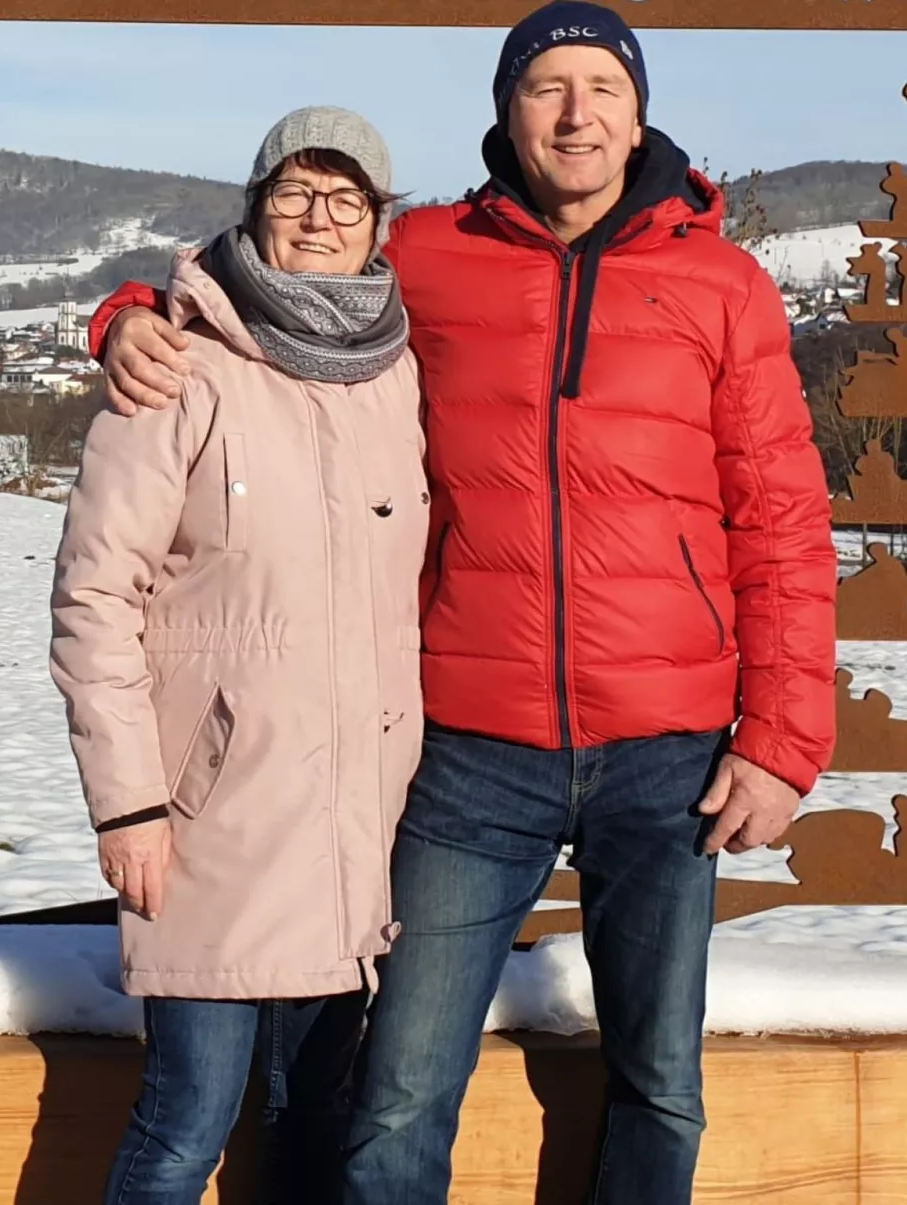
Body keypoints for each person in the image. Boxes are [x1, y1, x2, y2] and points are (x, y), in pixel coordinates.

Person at [85, 4, 838, 1202]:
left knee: (660, 1081)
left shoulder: (723, 283)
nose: (576, 113)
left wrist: (784, 741)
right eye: (547, 86)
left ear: (639, 110)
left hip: (669, 747)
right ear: (506, 112)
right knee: (398, 1093)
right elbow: (263, 289)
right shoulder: (428, 256)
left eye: (601, 85)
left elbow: (784, 524)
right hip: (472, 748)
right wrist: (125, 319)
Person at [48, 106, 428, 1205]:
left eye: (345, 199)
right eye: (294, 194)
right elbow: (93, 594)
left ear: (379, 227)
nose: (318, 219)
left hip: (358, 823)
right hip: (210, 824)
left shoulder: (398, 372)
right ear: (254, 210)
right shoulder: (178, 365)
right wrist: (127, 807)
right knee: (185, 1124)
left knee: (312, 1117)